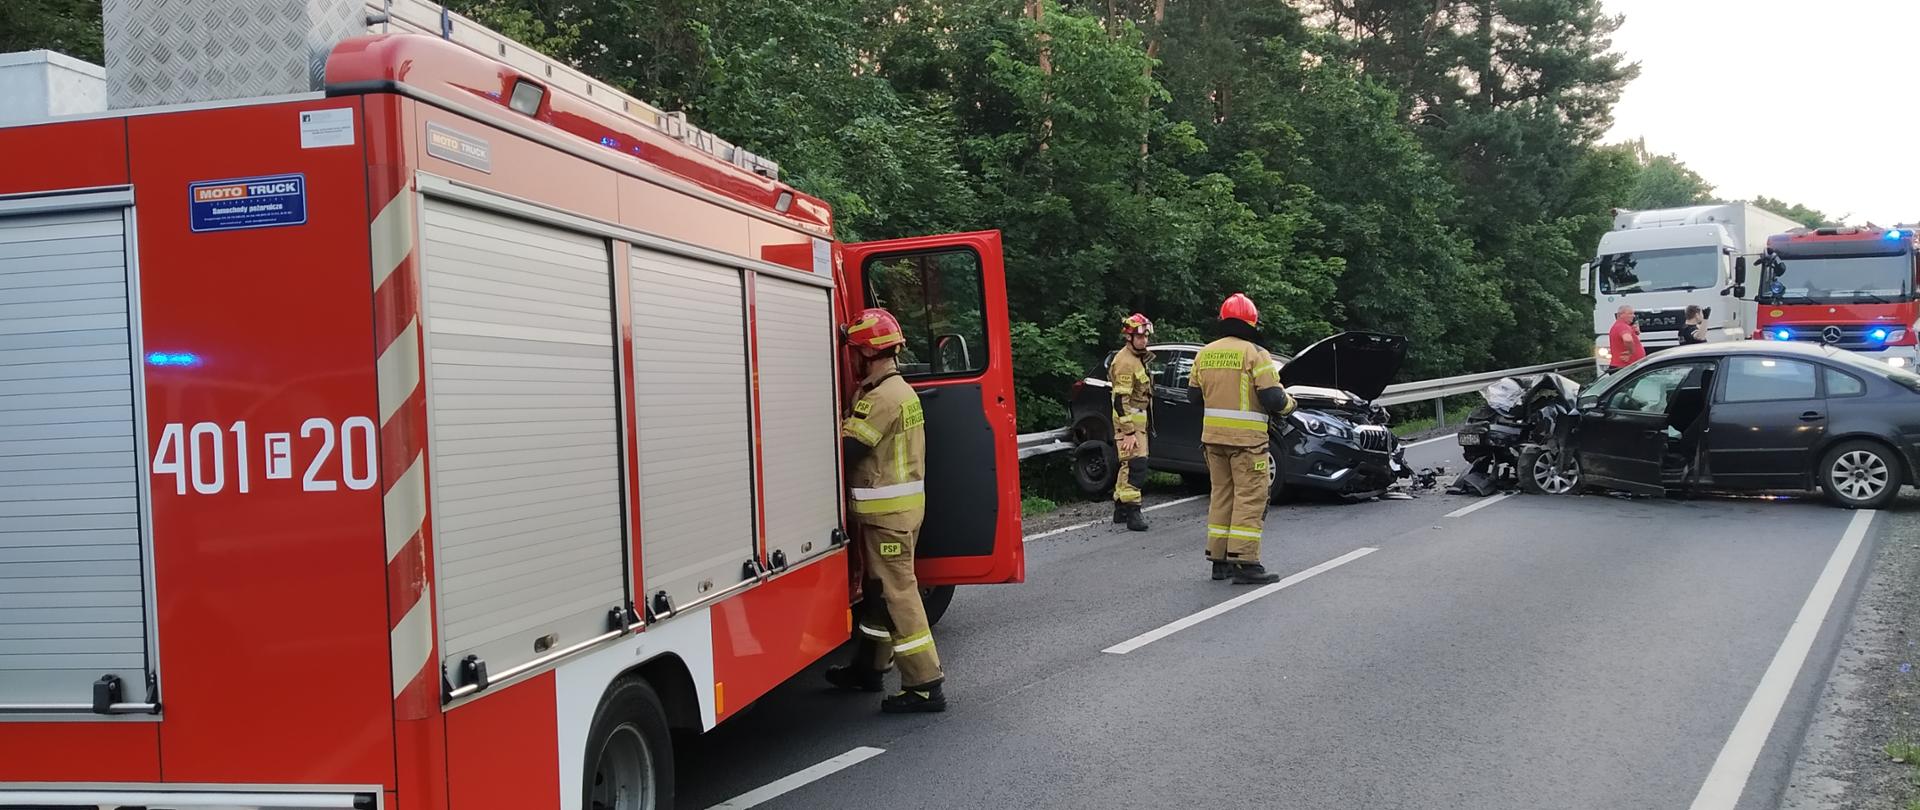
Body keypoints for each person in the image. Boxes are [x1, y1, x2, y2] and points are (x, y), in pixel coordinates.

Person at [826, 307, 945, 713]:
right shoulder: (899, 391)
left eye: (856, 351)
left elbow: (848, 450)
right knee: (880, 593)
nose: (854, 358)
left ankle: (925, 684)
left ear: (866, 353)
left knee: (898, 595)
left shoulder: (882, 399)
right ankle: (868, 667)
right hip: (898, 514)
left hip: (888, 518)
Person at [1190, 293, 1295, 585]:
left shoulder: (1204, 353)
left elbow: (1193, 396)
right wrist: (1290, 405)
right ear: (1252, 321)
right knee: (1250, 497)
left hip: (1213, 440)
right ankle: (1245, 562)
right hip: (1247, 442)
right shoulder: (1255, 354)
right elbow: (1273, 398)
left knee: (1221, 495)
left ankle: (1219, 560)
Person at [1110, 313, 1155, 532]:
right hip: (1129, 423)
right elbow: (1120, 400)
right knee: (1136, 465)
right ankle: (1133, 513)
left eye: (1146, 336)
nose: (1144, 340)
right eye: (1139, 336)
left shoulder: (1137, 358)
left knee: (1128, 464)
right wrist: (1128, 432)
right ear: (1128, 337)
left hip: (1138, 420)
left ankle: (1120, 508)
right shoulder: (1125, 362)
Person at [1608, 304, 1645, 369]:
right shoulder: (1622, 326)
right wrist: (1631, 352)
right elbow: (1628, 339)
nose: (1633, 316)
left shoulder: (1621, 326)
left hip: (1625, 366)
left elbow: (1634, 334)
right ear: (1620, 315)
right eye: (1630, 314)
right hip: (1624, 367)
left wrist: (1636, 331)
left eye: (1633, 314)